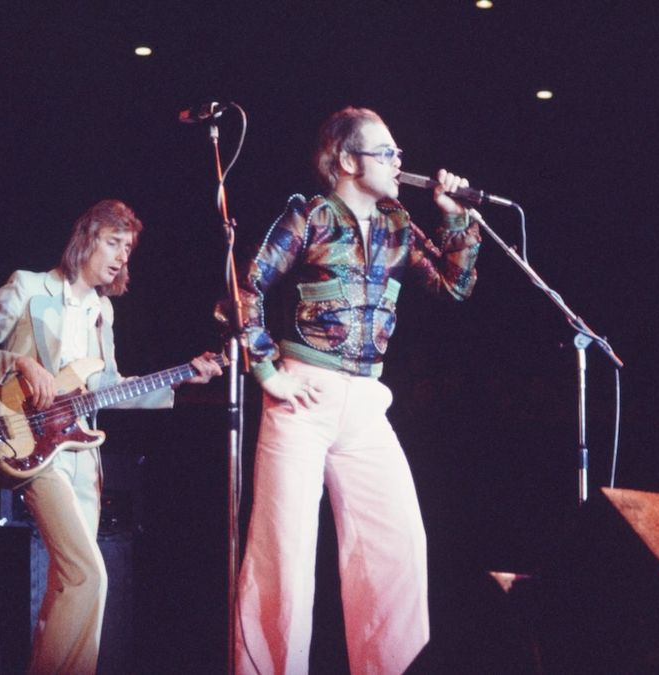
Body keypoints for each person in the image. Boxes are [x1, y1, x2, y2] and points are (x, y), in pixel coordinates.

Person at [229, 107, 482, 674]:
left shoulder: (395, 223)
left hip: (367, 405)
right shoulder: (311, 215)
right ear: (346, 160)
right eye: (386, 152)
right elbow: (244, 287)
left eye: (398, 154)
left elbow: (452, 286)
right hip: (304, 398)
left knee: (397, 550)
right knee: (285, 560)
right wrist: (268, 370)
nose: (399, 163)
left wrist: (456, 220)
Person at [0, 199, 222, 674]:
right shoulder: (28, 287)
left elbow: (106, 390)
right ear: (87, 237)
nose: (122, 257)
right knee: (88, 574)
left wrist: (180, 379)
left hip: (79, 453)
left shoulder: (103, 312)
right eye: (114, 243)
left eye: (129, 249)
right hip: (28, 442)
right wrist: (17, 362)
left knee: (68, 584)